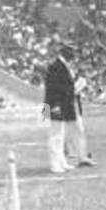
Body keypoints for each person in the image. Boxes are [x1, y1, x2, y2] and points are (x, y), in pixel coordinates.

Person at [41, 42, 78, 175]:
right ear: (66, 54)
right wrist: (54, 107)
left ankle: (61, 161)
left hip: (58, 104)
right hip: (54, 104)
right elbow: (52, 89)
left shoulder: (61, 65)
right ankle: (54, 164)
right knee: (55, 135)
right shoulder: (56, 66)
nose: (74, 57)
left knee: (60, 135)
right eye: (72, 54)